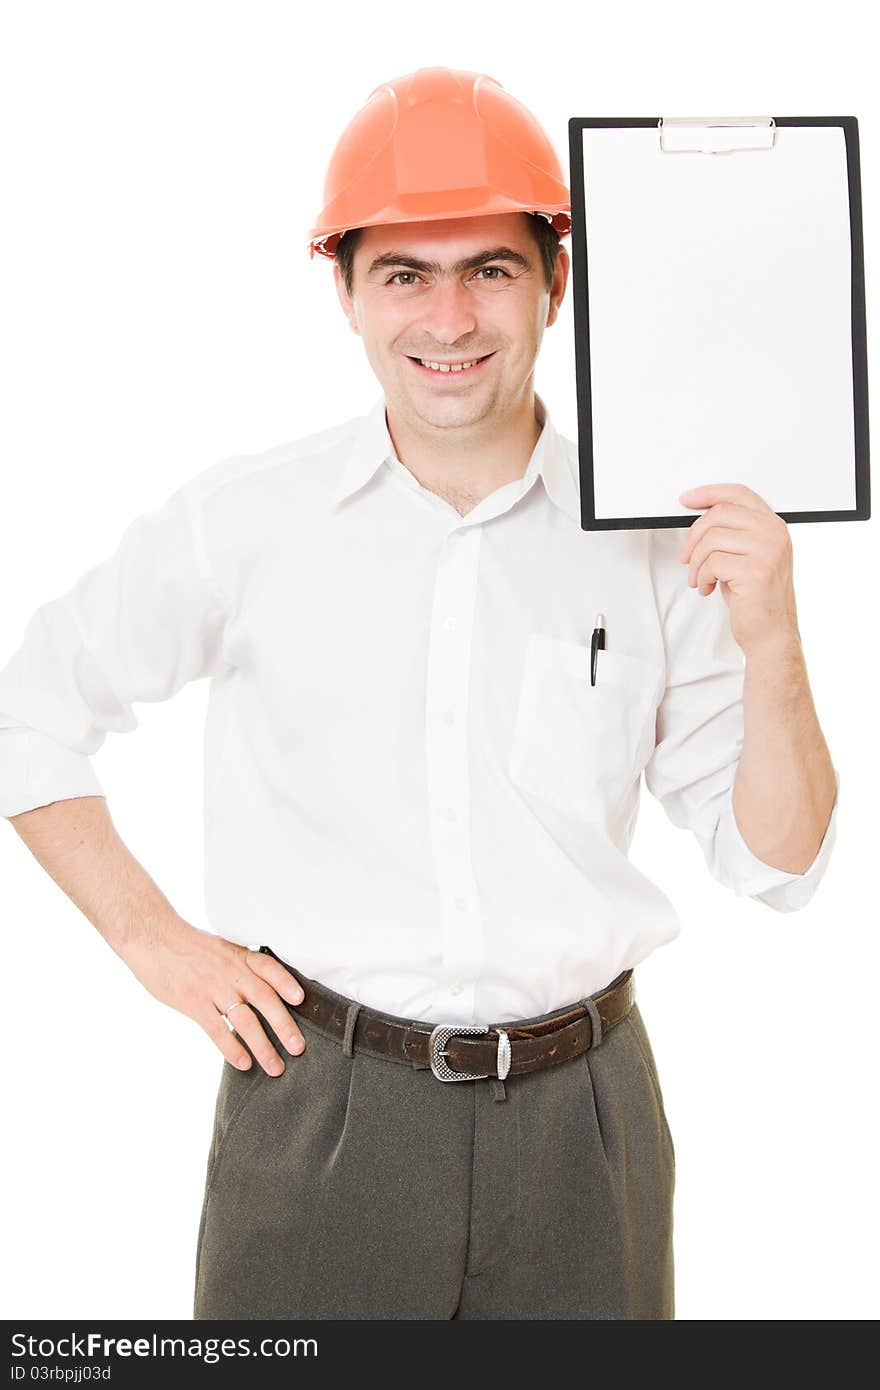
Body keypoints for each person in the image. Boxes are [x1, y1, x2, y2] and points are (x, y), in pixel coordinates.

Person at [0, 66, 839, 1321]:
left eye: (489, 269)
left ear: (555, 285)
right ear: (344, 292)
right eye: (404, 273)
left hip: (588, 1126)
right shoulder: (247, 522)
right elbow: (29, 711)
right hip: (319, 1113)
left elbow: (778, 858)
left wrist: (774, 641)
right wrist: (152, 940)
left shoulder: (665, 540)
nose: (449, 318)